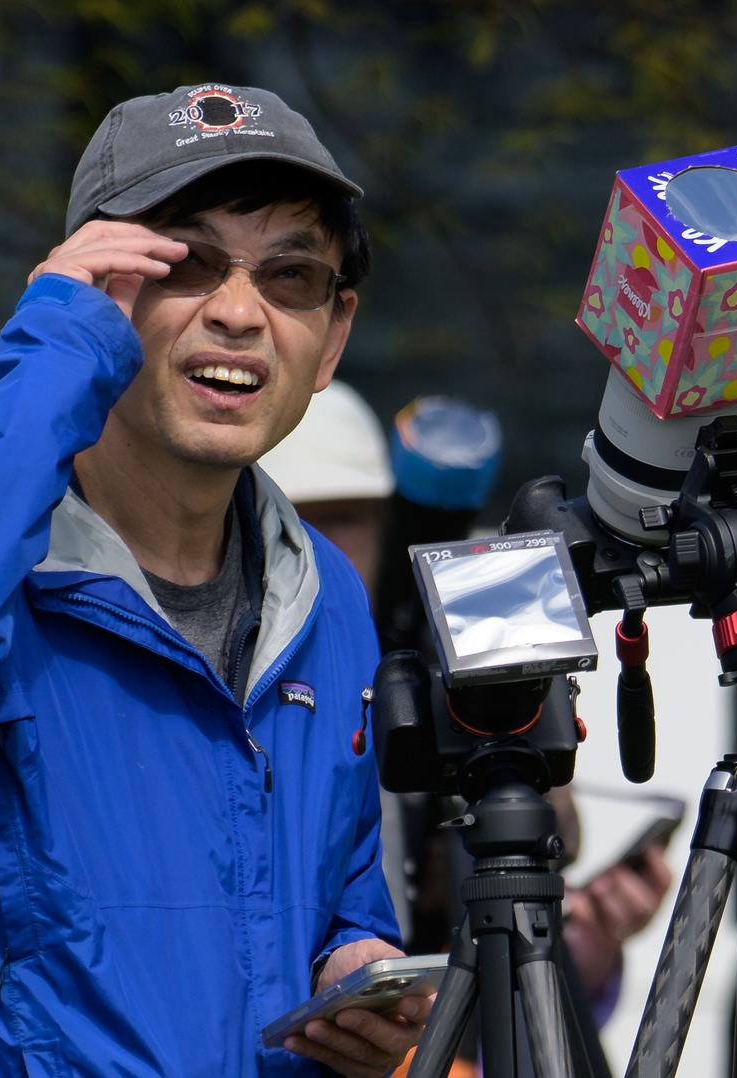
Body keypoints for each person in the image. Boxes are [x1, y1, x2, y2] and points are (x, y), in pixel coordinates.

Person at [0, 84, 434, 1077]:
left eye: (290, 276)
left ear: (332, 337)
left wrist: (357, 962)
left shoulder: (325, 590)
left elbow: (336, 890)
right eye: (186, 261)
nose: (238, 312)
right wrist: (54, 348)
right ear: (96, 290)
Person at [261, 382, 673, 1074]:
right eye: (299, 520)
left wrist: (590, 950)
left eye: (346, 519)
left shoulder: (415, 667)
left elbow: (497, 992)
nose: (320, 549)